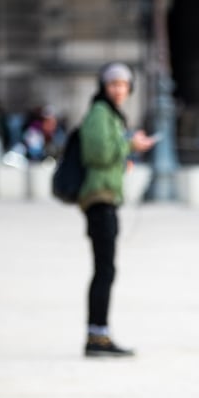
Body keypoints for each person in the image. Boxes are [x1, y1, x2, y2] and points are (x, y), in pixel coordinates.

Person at [78, 62, 156, 357]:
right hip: (99, 199)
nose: (119, 90)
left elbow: (108, 152)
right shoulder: (100, 113)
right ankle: (97, 336)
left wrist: (126, 153)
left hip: (106, 197)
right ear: (103, 86)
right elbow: (97, 153)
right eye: (113, 84)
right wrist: (130, 146)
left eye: (123, 84)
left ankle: (99, 333)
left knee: (106, 268)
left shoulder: (108, 113)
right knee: (105, 269)